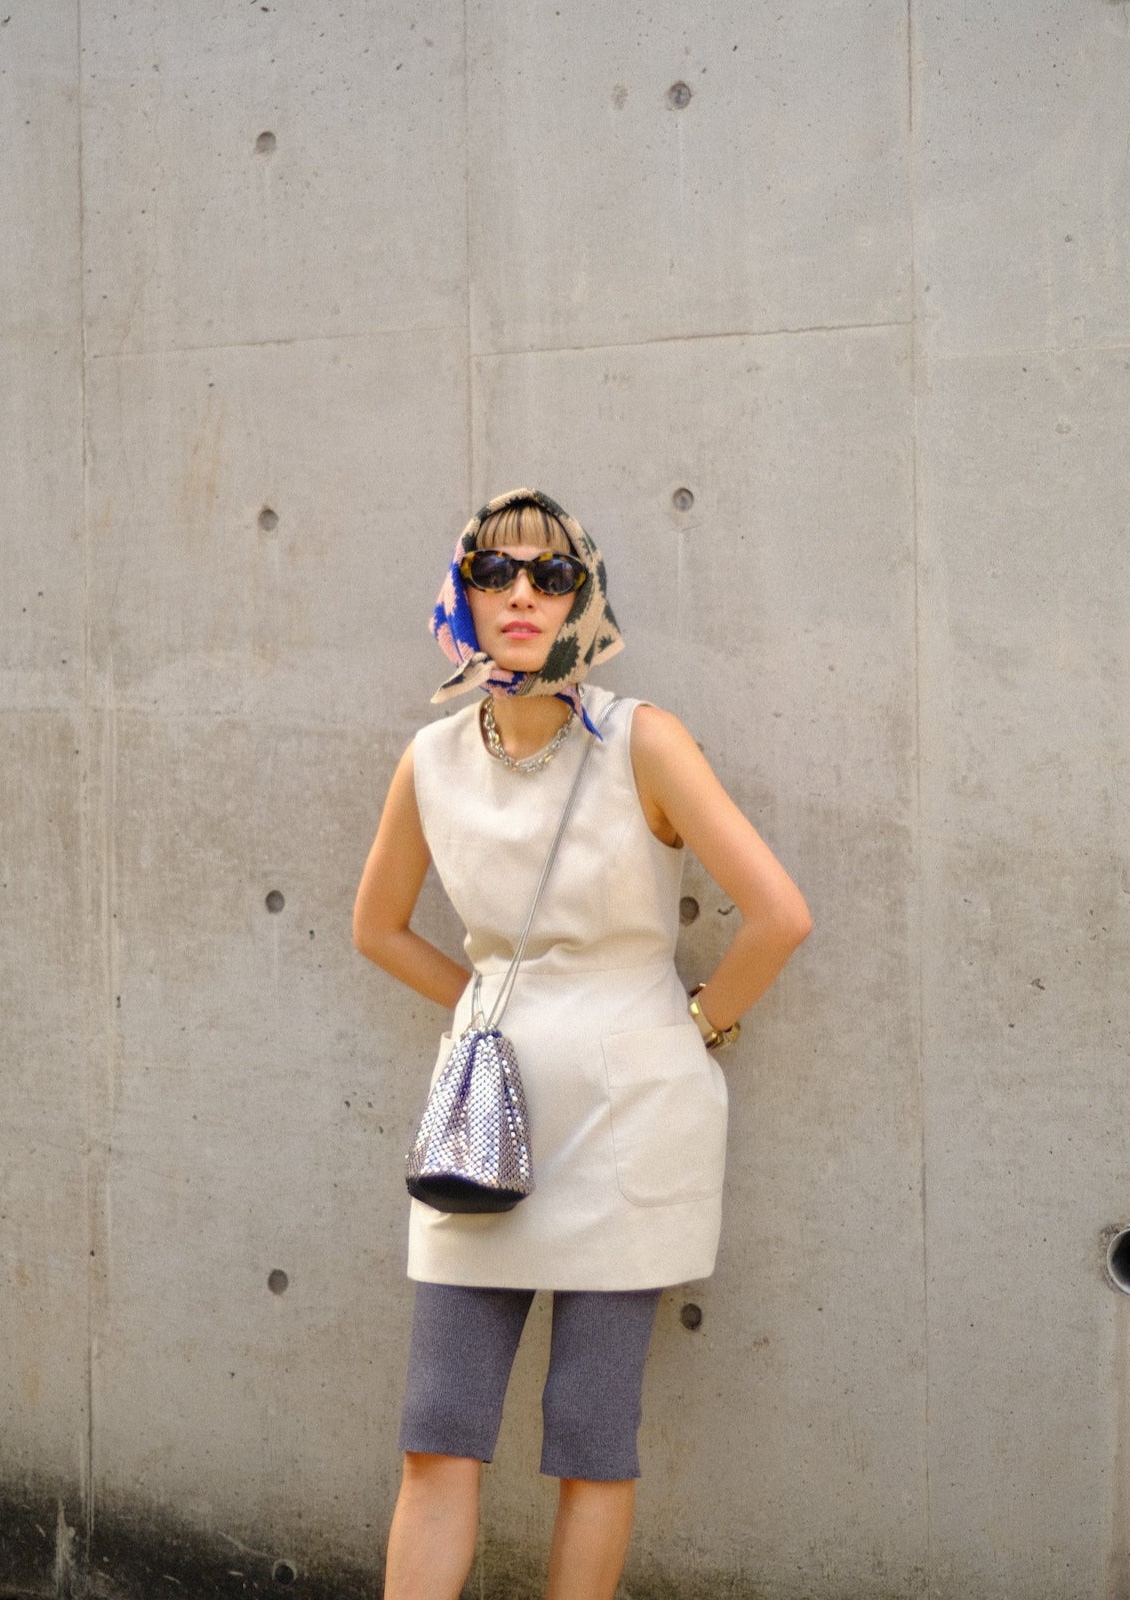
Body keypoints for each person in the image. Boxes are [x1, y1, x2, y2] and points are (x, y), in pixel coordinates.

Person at [353, 488, 811, 1600]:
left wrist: (699, 1028)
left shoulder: (641, 739)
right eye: (494, 572)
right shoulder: (429, 758)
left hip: (632, 1117)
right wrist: (489, 1006)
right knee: (437, 1429)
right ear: (459, 594)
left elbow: (779, 917)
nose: (521, 594)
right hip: (483, 1120)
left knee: (590, 1437)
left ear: (583, 597)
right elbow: (376, 928)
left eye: (551, 575)